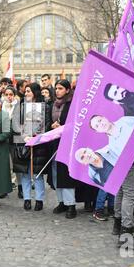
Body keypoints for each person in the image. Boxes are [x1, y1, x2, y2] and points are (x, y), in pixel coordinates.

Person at [14, 83, 52, 211]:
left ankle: (39, 200)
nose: (26, 94)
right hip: (24, 143)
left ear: (35, 92)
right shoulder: (21, 107)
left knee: (37, 174)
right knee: (25, 173)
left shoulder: (45, 107)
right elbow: (16, 124)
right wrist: (24, 136)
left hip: (39, 144)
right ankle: (27, 199)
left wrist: (38, 137)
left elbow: (47, 124)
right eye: (25, 92)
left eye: (28, 91)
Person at [49, 80, 78, 219]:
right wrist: (52, 125)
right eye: (56, 88)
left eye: (60, 88)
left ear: (67, 90)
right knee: (56, 174)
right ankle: (61, 202)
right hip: (54, 143)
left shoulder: (72, 104)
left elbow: (75, 124)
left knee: (66, 174)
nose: (57, 91)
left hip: (68, 144)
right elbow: (49, 121)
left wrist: (61, 128)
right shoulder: (53, 104)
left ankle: (70, 205)